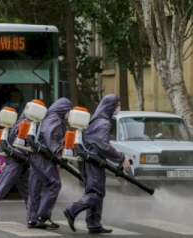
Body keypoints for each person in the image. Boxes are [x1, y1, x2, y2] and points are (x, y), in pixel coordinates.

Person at [63, 94, 130, 234]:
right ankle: (72, 209)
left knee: (94, 192)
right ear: (111, 106)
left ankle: (94, 223)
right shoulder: (103, 123)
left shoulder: (96, 119)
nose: (118, 108)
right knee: (96, 192)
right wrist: (121, 158)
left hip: (90, 160)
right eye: (117, 105)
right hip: (93, 162)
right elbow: (103, 145)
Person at [27, 97, 72, 229]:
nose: (69, 114)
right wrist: (58, 150)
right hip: (43, 156)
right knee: (54, 184)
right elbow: (50, 135)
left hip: (37, 156)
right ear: (63, 108)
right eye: (68, 110)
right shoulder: (54, 118)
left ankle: (32, 218)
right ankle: (44, 217)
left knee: (35, 185)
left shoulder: (48, 116)